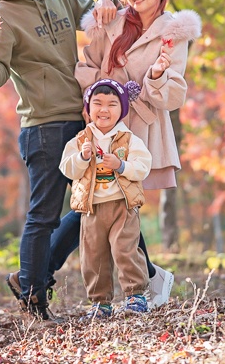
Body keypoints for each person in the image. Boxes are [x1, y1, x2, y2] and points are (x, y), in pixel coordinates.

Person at [0, 0, 171, 320]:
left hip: (82, 121)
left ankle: (139, 279)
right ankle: (34, 296)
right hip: (44, 125)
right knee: (44, 214)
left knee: (104, 199)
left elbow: (96, 9)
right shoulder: (2, 14)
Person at [76, 0, 201, 295]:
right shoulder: (112, 23)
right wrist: (97, 97)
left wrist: (158, 75)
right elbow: (86, 63)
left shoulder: (173, 33)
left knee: (111, 202)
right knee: (101, 201)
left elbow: (172, 96)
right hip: (104, 125)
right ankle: (150, 280)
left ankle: (137, 287)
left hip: (141, 130)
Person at [60, 79, 153, 318]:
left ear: (121, 110)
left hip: (122, 205)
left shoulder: (128, 138)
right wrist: (82, 157)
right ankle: (100, 303)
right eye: (97, 103)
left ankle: (135, 296)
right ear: (88, 109)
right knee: (93, 256)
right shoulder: (80, 140)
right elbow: (67, 169)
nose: (104, 109)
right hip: (91, 208)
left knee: (125, 250)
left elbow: (143, 167)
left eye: (112, 104)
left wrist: (121, 165)